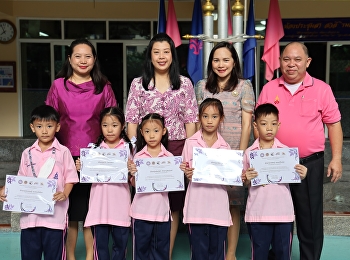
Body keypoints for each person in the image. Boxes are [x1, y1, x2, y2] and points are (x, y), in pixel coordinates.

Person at [256, 42, 343, 260]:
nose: (291, 64)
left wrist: (337, 158)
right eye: (286, 59)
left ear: (308, 62)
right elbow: (259, 125)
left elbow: (334, 124)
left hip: (309, 163)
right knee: (274, 215)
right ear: (280, 62)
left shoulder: (322, 89)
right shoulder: (269, 89)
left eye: (297, 59)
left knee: (309, 219)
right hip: (275, 161)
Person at [125, 32, 198, 259]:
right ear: (150, 56)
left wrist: (188, 154)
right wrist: (134, 151)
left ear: (172, 55)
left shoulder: (184, 83)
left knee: (173, 202)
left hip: (176, 148)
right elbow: (132, 120)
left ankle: (165, 252)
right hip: (147, 150)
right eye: (156, 52)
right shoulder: (139, 84)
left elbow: (191, 121)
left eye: (166, 51)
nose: (161, 56)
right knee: (148, 196)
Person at [45, 38, 117, 260]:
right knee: (66, 211)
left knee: (89, 211)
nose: (83, 61)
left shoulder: (104, 87)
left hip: (95, 158)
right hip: (64, 156)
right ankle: (69, 257)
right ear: (69, 58)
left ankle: (90, 256)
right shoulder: (58, 85)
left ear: (94, 59)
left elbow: (113, 120)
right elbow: (49, 120)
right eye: (78, 56)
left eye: (88, 56)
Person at [195, 41, 255, 260]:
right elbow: (197, 120)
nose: (221, 65)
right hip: (207, 154)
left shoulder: (244, 86)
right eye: (216, 60)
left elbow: (247, 124)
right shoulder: (201, 86)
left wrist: (239, 156)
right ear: (211, 63)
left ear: (234, 62)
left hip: (233, 155)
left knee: (232, 204)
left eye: (226, 60)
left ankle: (230, 253)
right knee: (210, 201)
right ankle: (210, 251)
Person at [0, 105, 79, 260]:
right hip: (30, 219)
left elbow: (71, 177)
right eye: (39, 126)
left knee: (54, 256)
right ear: (32, 127)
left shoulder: (64, 152)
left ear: (57, 127)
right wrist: (6, 191)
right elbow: (20, 180)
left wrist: (65, 193)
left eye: (49, 126)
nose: (44, 131)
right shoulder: (27, 153)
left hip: (55, 219)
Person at [243, 103, 307, 260]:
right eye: (264, 124)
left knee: (283, 254)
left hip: (283, 215)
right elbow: (244, 182)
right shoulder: (249, 153)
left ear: (279, 125)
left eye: (273, 124)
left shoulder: (286, 153)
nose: (269, 128)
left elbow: (294, 176)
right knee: (259, 255)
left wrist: (302, 174)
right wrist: (247, 178)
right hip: (258, 215)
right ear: (255, 125)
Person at [75, 107, 132, 260]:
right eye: (105, 125)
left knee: (120, 246)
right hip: (99, 208)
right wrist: (82, 167)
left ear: (123, 125)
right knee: (100, 248)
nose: (110, 130)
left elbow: (133, 180)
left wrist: (132, 171)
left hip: (120, 207)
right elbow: (88, 176)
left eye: (114, 125)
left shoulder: (128, 148)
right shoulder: (93, 149)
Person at [180, 98, 232, 260]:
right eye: (205, 116)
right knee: (198, 255)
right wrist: (186, 174)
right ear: (199, 117)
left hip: (219, 212)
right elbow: (183, 170)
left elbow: (230, 180)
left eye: (214, 116)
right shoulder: (190, 143)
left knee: (217, 255)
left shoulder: (226, 148)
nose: (210, 121)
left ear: (221, 118)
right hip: (196, 210)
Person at [128, 113, 172, 260]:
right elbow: (134, 184)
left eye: (156, 131)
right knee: (140, 253)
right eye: (147, 131)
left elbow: (173, 184)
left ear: (164, 131)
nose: (151, 135)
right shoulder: (138, 157)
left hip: (162, 214)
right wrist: (133, 174)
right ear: (141, 132)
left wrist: (179, 172)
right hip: (141, 213)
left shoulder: (170, 158)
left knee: (161, 253)